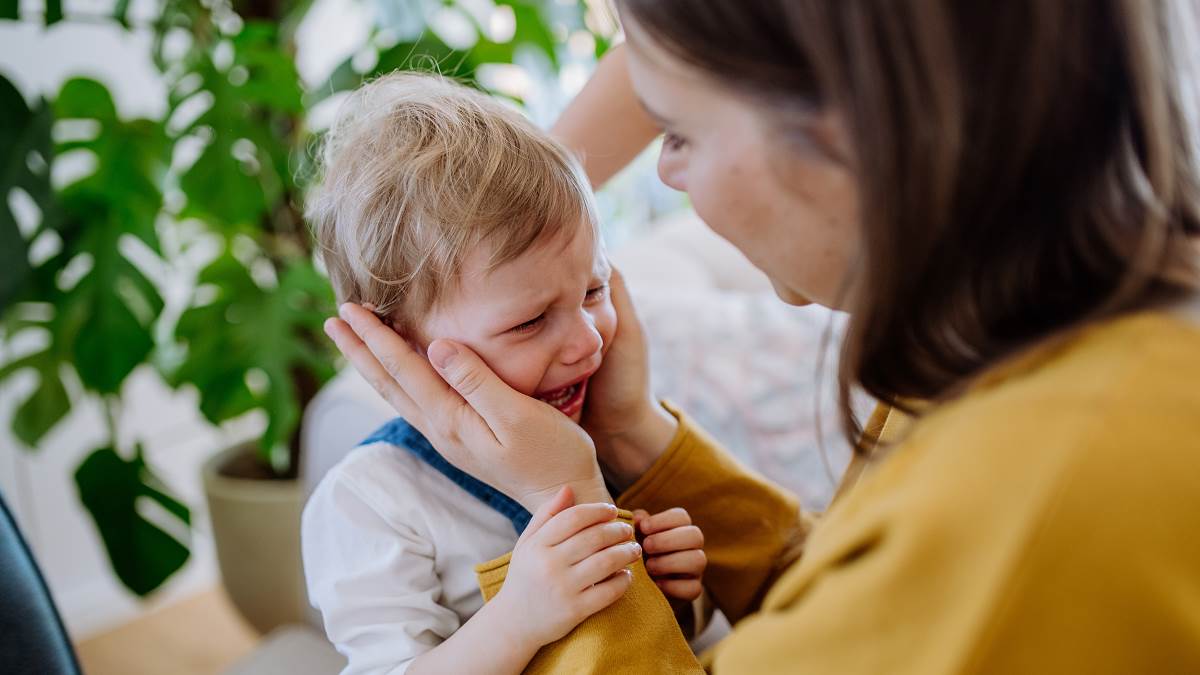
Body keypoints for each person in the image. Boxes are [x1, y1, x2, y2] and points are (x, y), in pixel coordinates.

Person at [324, 1, 1200, 672]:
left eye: (679, 129)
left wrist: (575, 507)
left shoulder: (1034, 492)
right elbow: (845, 605)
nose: (663, 167)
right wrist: (638, 447)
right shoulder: (1025, 349)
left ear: (850, 118)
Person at [301, 72, 708, 674]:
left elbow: (665, 649)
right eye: (529, 322)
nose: (588, 338)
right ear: (397, 345)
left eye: (594, 289)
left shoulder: (593, 429)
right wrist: (517, 619)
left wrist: (672, 597)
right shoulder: (373, 500)